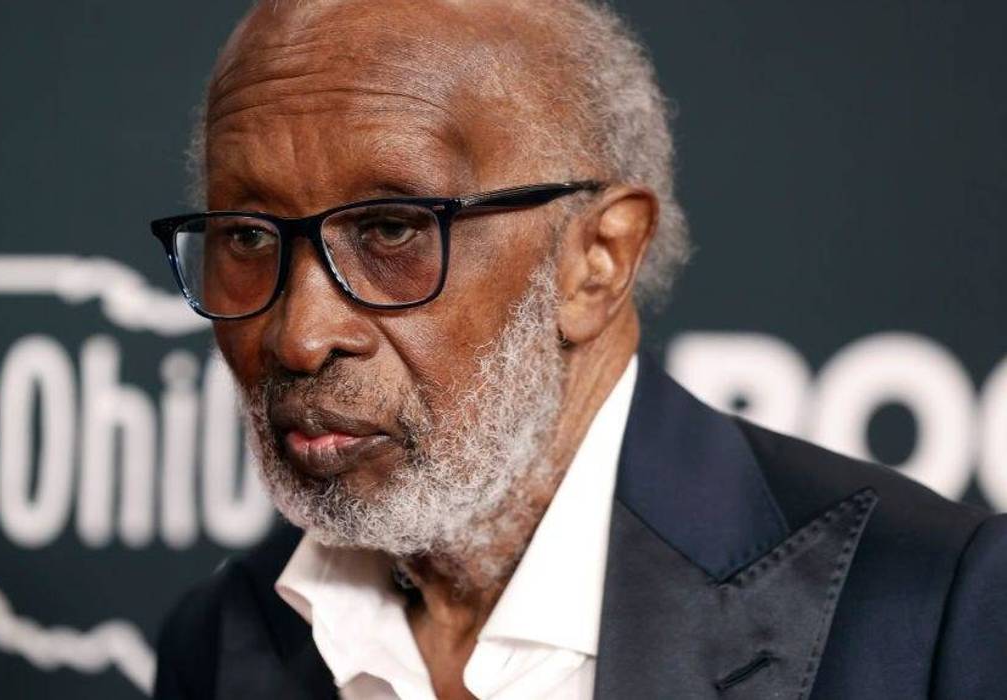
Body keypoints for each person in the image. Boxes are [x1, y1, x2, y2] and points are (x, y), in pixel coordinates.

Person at [148, 1, 1007, 697]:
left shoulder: (933, 610)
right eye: (246, 237)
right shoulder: (223, 639)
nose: (299, 335)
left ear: (595, 261)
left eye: (391, 229)